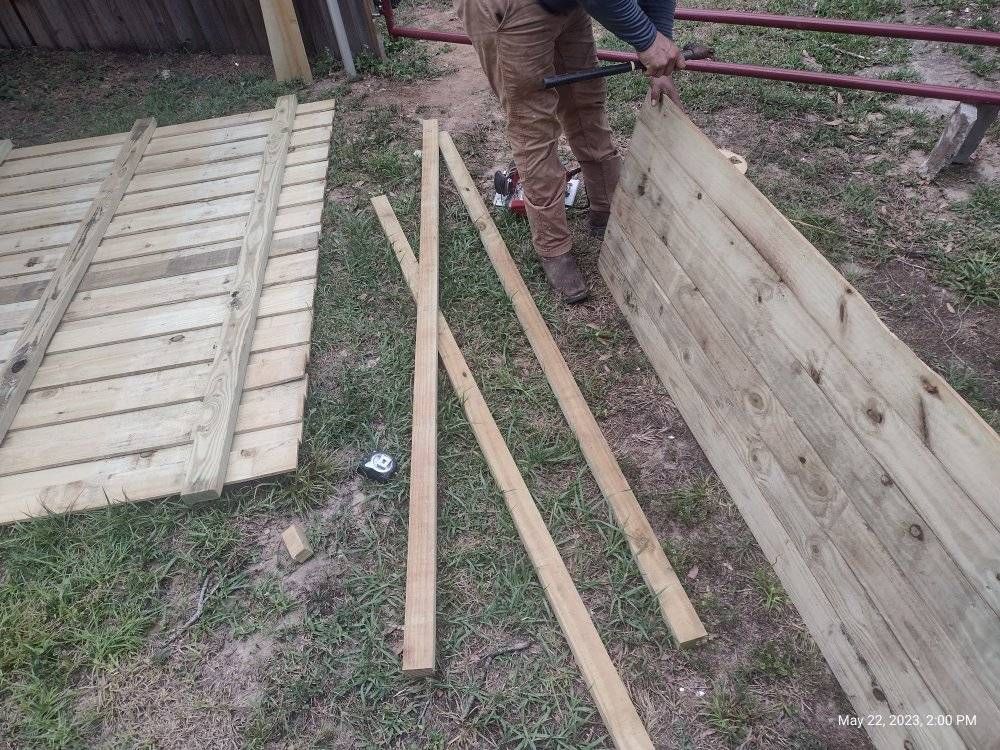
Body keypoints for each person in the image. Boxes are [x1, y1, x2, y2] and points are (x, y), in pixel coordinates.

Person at [457, 0, 684, 302]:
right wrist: (647, 39)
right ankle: (553, 248)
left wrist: (660, 59)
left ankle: (606, 208)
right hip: (510, 7)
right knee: (532, 125)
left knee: (585, 100)